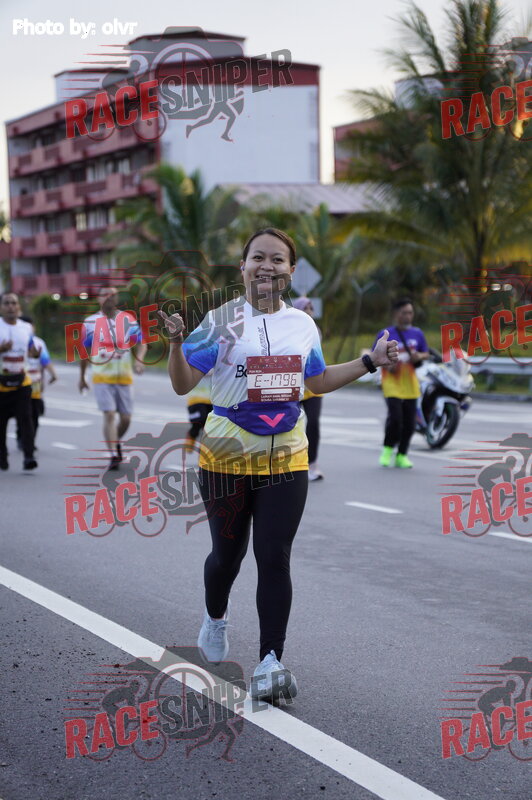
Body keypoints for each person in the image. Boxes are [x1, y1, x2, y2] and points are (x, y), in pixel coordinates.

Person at [159, 227, 398, 702]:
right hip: (225, 457)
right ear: (242, 267)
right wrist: (176, 343)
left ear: (290, 270)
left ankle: (270, 661)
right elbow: (183, 384)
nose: (266, 266)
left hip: (287, 456)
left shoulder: (302, 325)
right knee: (227, 557)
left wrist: (369, 361)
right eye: (258, 257)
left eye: (277, 259)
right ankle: (215, 617)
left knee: (274, 557)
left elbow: (317, 380)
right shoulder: (219, 321)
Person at [79, 286, 147, 470]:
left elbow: (141, 342)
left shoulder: (127, 320)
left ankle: (114, 442)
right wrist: (82, 377)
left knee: (126, 419)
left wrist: (139, 361)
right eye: (105, 294)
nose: (109, 298)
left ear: (117, 299)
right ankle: (113, 455)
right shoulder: (90, 322)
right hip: (102, 377)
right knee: (109, 414)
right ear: (99, 298)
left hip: (124, 377)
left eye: (113, 295)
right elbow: (84, 353)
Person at [375, 298, 429, 469]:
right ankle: (387, 450)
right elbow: (375, 355)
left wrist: (418, 356)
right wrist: (387, 365)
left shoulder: (417, 333)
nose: (408, 316)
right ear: (396, 314)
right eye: (404, 313)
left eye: (410, 313)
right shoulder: (386, 334)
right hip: (391, 383)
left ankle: (402, 455)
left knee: (410, 423)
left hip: (411, 384)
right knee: (396, 419)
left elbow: (426, 353)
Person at [0, 292, 40, 470]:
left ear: (18, 307)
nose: (10, 306)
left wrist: (34, 353)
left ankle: (29, 456)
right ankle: (2, 455)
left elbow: (30, 348)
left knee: (26, 419)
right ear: (1, 307)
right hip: (1, 384)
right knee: (1, 423)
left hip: (22, 382)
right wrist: (1, 349)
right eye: (7, 303)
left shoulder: (26, 327)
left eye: (13, 303)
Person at [293, 297, 324, 481]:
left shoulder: (315, 330)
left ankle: (312, 464)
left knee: (313, 423)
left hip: (312, 385)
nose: (309, 311)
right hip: (293, 385)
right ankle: (292, 462)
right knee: (291, 424)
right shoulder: (286, 329)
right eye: (305, 308)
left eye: (311, 308)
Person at [17, 315, 57, 450]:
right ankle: (21, 437)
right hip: (19, 383)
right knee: (23, 413)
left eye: (31, 326)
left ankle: (30, 440)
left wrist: (53, 375)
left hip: (35, 384)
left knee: (34, 414)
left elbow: (45, 361)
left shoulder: (39, 343)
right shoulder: (15, 340)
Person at [185, 370, 213, 452]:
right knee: (199, 422)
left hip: (210, 400)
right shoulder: (193, 364)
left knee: (208, 426)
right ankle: (191, 435)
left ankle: (204, 448)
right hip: (195, 400)